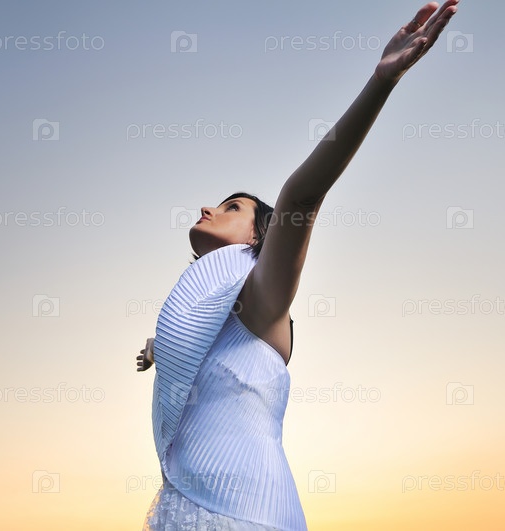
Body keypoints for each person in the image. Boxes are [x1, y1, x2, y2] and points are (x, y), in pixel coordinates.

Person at [136, 2, 460, 529]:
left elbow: (302, 196)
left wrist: (381, 82)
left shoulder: (263, 301)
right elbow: (202, 352)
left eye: (232, 207)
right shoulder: (207, 313)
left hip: (248, 512)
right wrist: (160, 347)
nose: (208, 209)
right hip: (185, 510)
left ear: (259, 235)